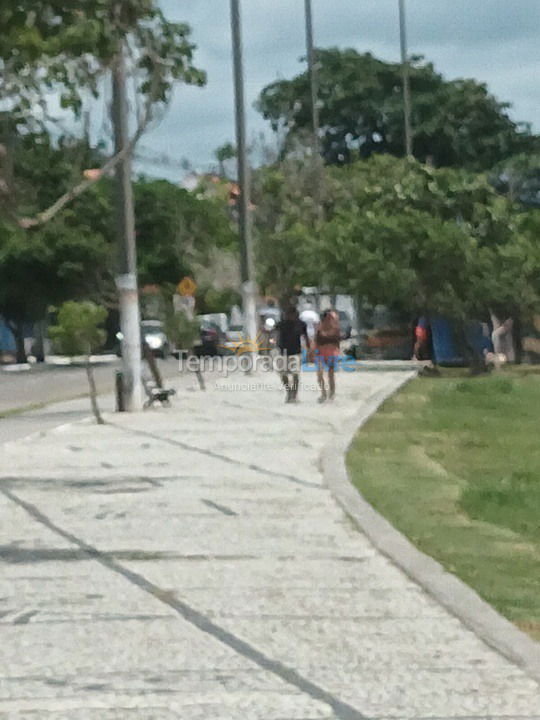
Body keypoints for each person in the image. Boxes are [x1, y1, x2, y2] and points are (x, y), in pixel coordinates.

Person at [277, 306, 309, 403]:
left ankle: (294, 395)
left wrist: (309, 349)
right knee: (283, 374)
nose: (288, 316)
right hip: (283, 353)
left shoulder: (301, 324)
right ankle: (289, 391)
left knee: (295, 374)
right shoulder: (282, 324)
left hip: (296, 352)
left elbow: (306, 337)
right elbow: (275, 333)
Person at [315, 310, 341, 402]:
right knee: (319, 374)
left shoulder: (335, 328)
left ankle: (332, 393)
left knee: (331, 374)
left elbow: (337, 341)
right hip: (321, 352)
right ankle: (323, 393)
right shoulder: (319, 327)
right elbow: (316, 340)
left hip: (331, 352)